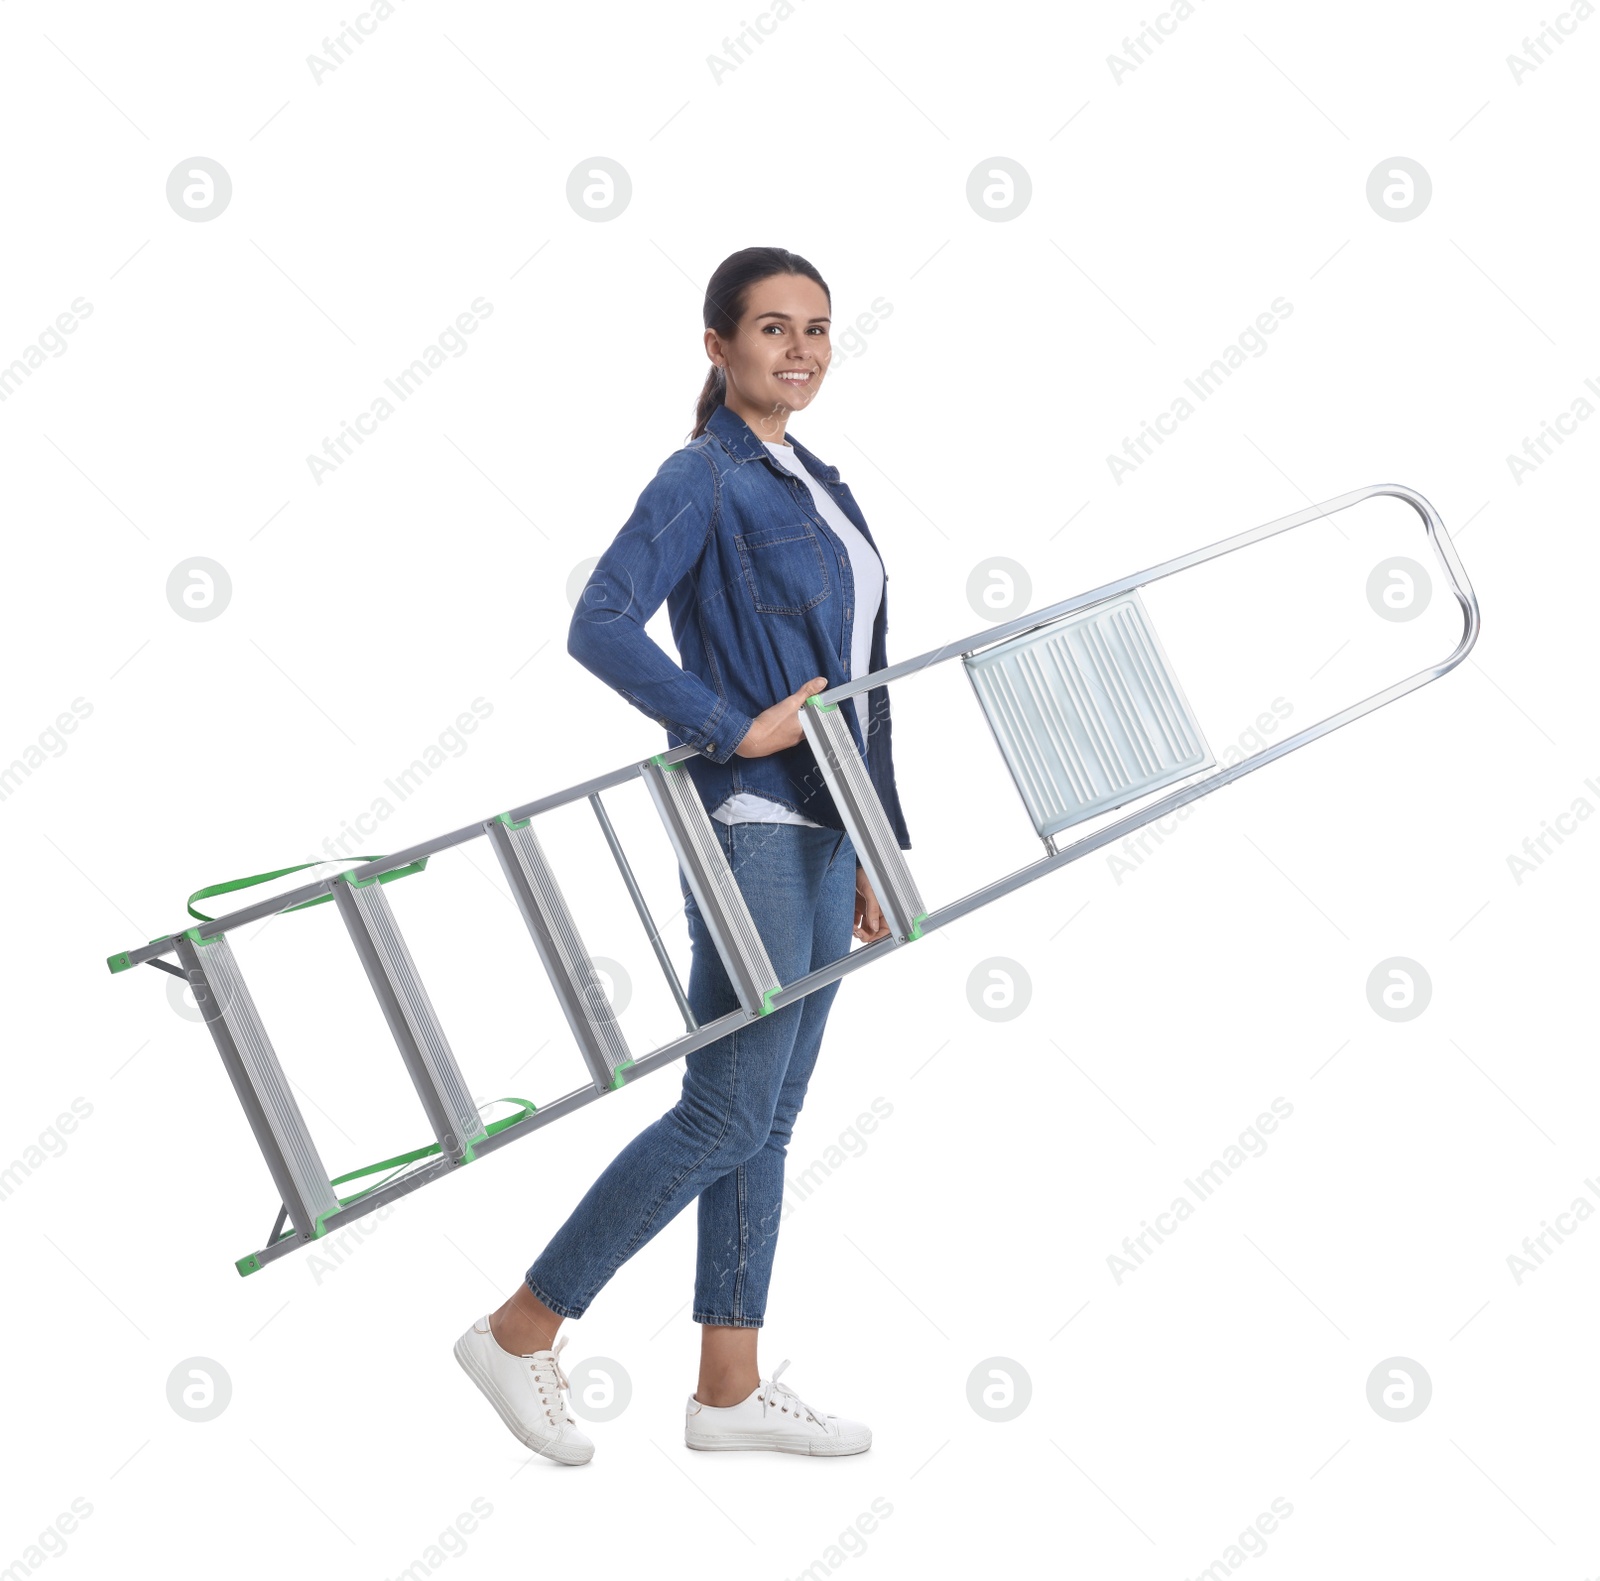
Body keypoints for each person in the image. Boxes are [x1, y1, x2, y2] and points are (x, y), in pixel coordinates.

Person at [454, 246, 912, 1465]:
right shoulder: (702, 477)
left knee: (765, 1119)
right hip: (752, 820)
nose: (801, 349)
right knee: (722, 1115)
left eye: (818, 329)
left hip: (826, 829)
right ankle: (519, 1329)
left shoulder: (816, 479)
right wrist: (726, 725)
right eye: (773, 328)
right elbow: (598, 620)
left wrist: (878, 839)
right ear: (717, 347)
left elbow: (860, 680)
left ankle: (727, 1388)